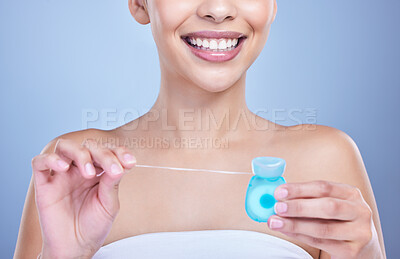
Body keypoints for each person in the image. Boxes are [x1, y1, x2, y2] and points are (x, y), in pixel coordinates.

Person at [14, 0, 386, 258]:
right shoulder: (78, 171)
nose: (218, 9)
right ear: (140, 3)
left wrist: (366, 255)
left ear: (273, 4)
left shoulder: (328, 159)